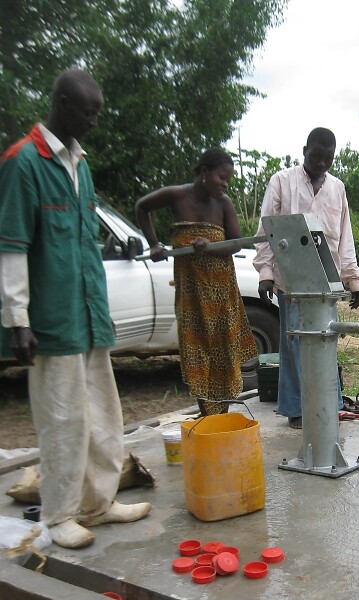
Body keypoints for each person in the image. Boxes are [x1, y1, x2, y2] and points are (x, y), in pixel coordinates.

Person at [0, 69, 151, 549]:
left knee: (103, 416)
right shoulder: (23, 162)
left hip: (89, 315)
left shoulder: (80, 165)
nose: (93, 121)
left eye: (97, 113)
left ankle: (98, 504)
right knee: (62, 421)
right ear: (62, 103)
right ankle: (60, 515)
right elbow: (12, 247)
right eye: (88, 112)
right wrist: (18, 321)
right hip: (52, 320)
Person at [253, 127, 359, 429]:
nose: (322, 163)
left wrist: (353, 279)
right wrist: (265, 273)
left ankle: (328, 404)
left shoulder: (337, 188)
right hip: (291, 278)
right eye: (317, 157)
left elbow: (344, 236)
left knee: (325, 341)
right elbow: (266, 231)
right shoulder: (281, 182)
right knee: (294, 344)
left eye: (328, 158)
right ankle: (297, 409)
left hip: (326, 280)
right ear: (305, 151)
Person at [135, 148, 257, 416]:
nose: (225, 185)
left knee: (223, 352)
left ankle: (221, 415)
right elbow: (142, 207)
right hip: (191, 294)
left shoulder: (224, 204)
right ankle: (207, 413)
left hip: (221, 291)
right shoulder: (176, 195)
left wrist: (211, 245)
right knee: (197, 351)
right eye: (221, 177)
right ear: (204, 172)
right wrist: (154, 244)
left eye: (228, 180)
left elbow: (236, 243)